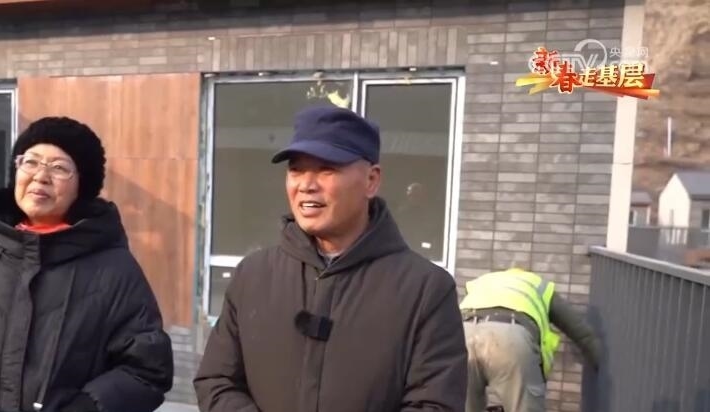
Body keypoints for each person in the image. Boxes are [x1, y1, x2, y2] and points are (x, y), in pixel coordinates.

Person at [193, 106, 468, 412]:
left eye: (327, 169)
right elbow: (216, 381)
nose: (306, 185)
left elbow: (435, 404)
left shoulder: (425, 289)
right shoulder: (253, 275)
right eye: (296, 170)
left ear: (371, 180)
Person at [0, 116, 174, 412]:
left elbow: (146, 371)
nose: (40, 176)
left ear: (82, 186)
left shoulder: (115, 270)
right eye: (31, 162)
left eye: (59, 168)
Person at [459, 267, 602, 412]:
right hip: (510, 338)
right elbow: (581, 332)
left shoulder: (483, 282)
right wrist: (602, 367)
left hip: (463, 335)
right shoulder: (538, 286)